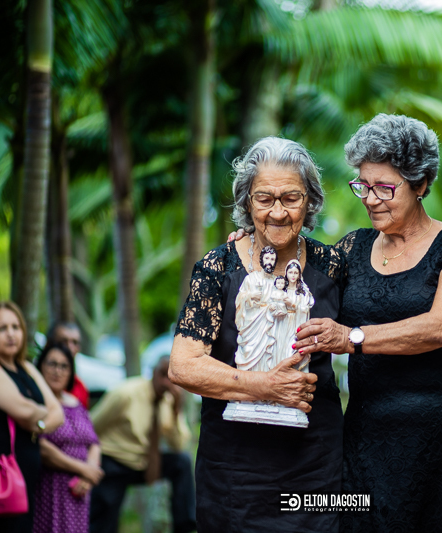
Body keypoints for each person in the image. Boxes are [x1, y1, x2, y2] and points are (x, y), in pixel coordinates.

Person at [293, 113, 442, 531]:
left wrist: (351, 337)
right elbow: (297, 285)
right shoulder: (352, 248)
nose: (371, 199)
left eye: (385, 187)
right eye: (363, 185)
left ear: (421, 183)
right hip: (366, 440)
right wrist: (251, 247)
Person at [169, 137, 344, 532]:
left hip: (316, 466)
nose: (277, 212)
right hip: (235, 472)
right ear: (247, 202)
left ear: (310, 202)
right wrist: (267, 387)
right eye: (264, 198)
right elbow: (182, 366)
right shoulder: (218, 268)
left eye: (291, 198)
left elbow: (371, 324)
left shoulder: (332, 265)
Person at [0, 301, 65, 533]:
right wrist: (38, 412)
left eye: (15, 327)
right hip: (1, 479)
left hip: (28, 474)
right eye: (2, 328)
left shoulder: (26, 367)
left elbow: (58, 414)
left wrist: (37, 422)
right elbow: (24, 411)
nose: (11, 334)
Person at [89, 356, 195, 533]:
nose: (165, 383)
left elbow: (178, 445)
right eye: (162, 375)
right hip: (114, 462)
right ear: (153, 372)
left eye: (171, 378)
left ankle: (185, 528)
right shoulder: (126, 394)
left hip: (143, 463)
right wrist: (90, 460)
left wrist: (177, 411)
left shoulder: (169, 402)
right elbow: (91, 426)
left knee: (182, 462)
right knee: (104, 523)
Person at [33, 342, 102, 533]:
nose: (58, 371)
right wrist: (83, 469)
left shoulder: (76, 403)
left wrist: (89, 473)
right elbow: (42, 447)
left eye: (64, 366)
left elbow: (94, 443)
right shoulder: (36, 402)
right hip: (50, 488)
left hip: (79, 490)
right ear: (40, 367)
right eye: (52, 364)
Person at [46, 322, 89, 408]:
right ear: (49, 344)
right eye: (64, 342)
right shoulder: (37, 380)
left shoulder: (80, 387)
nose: (70, 347)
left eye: (75, 342)